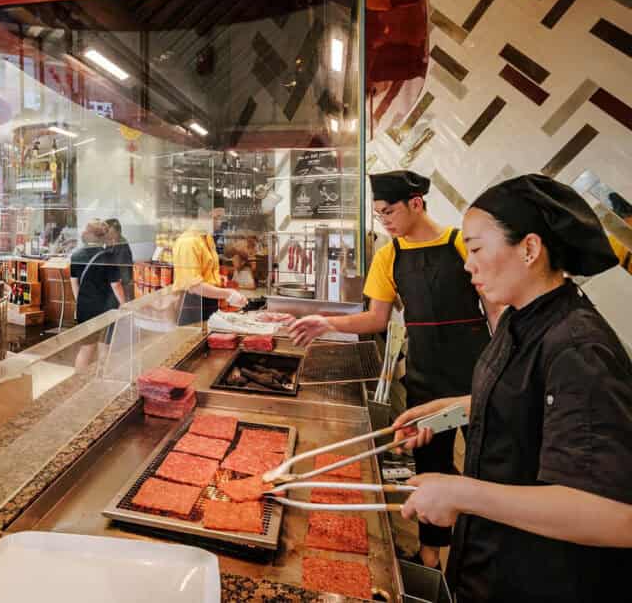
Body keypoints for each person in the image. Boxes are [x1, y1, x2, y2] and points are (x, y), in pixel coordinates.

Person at [394, 174, 632, 602]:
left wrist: (462, 492)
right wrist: (450, 409)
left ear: (529, 249)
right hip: (491, 565)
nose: (467, 264)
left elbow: (615, 516)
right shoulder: (521, 318)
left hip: (544, 581)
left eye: (477, 248)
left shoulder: (579, 347)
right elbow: (527, 398)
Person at [288, 170, 496, 568]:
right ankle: (431, 555)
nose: (383, 221)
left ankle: (486, 556)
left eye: (388, 212)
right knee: (430, 462)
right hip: (425, 375)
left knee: (487, 462)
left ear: (416, 203)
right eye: (378, 214)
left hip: (476, 371)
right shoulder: (390, 255)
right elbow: (376, 319)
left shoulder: (459, 244)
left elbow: (495, 312)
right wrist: (327, 322)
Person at [70, 220, 126, 369]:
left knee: (86, 347)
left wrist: (80, 302)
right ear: (103, 236)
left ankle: (79, 381)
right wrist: (124, 304)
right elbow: (116, 285)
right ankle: (102, 381)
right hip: (106, 307)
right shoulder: (108, 257)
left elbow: (74, 282)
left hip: (85, 307)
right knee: (104, 347)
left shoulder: (76, 255)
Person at [172, 214, 247, 325]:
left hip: (208, 299)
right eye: (217, 217)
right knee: (195, 340)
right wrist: (228, 294)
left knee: (210, 338)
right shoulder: (188, 242)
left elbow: (206, 271)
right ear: (202, 215)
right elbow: (195, 286)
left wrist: (218, 278)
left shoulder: (207, 238)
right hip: (192, 303)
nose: (220, 222)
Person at [105, 218, 134, 302]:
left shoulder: (122, 245)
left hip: (121, 287)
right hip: (114, 286)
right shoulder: (111, 243)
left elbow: (123, 272)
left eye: (110, 232)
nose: (107, 235)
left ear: (118, 232)